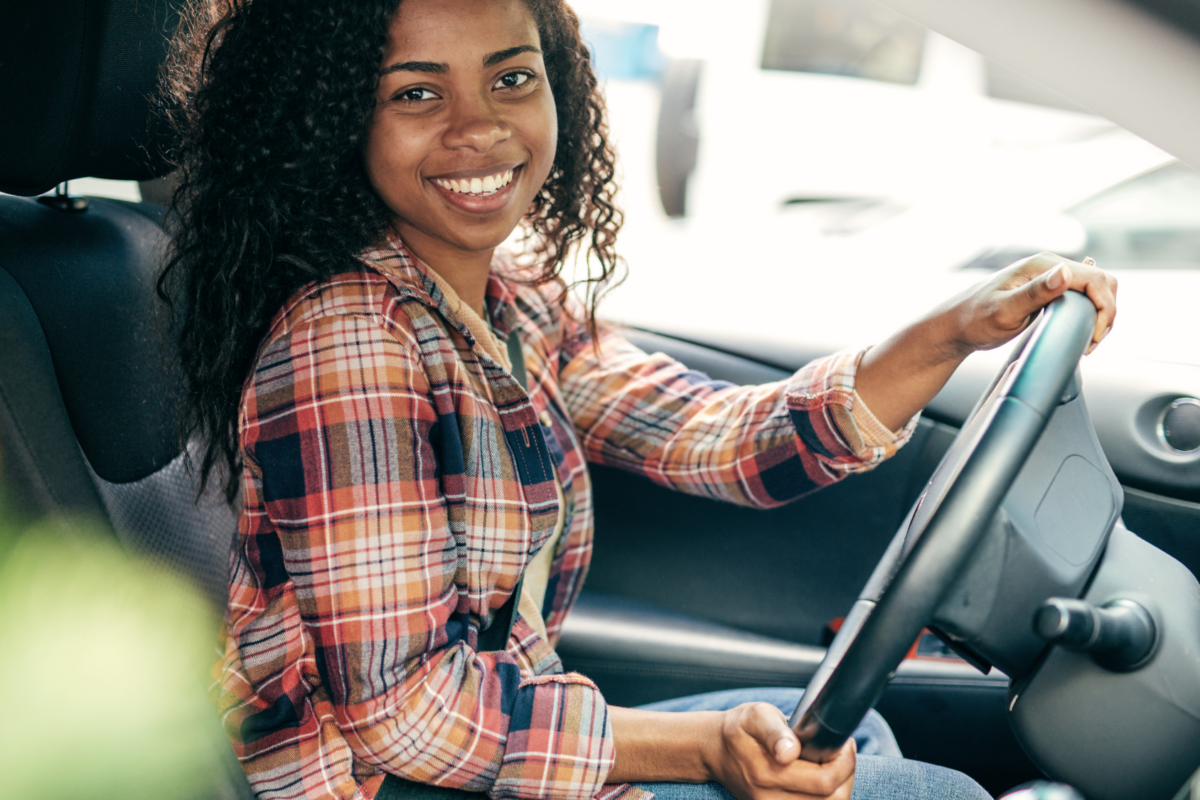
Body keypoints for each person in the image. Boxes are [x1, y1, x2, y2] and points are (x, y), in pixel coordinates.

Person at [156, 1, 1118, 799]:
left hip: (469, 752)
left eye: (511, 77)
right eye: (416, 92)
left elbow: (720, 437)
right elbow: (403, 714)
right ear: (334, 118)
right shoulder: (350, 339)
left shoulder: (509, 301)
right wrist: (704, 752)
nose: (479, 126)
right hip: (377, 782)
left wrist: (953, 330)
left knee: (847, 734)